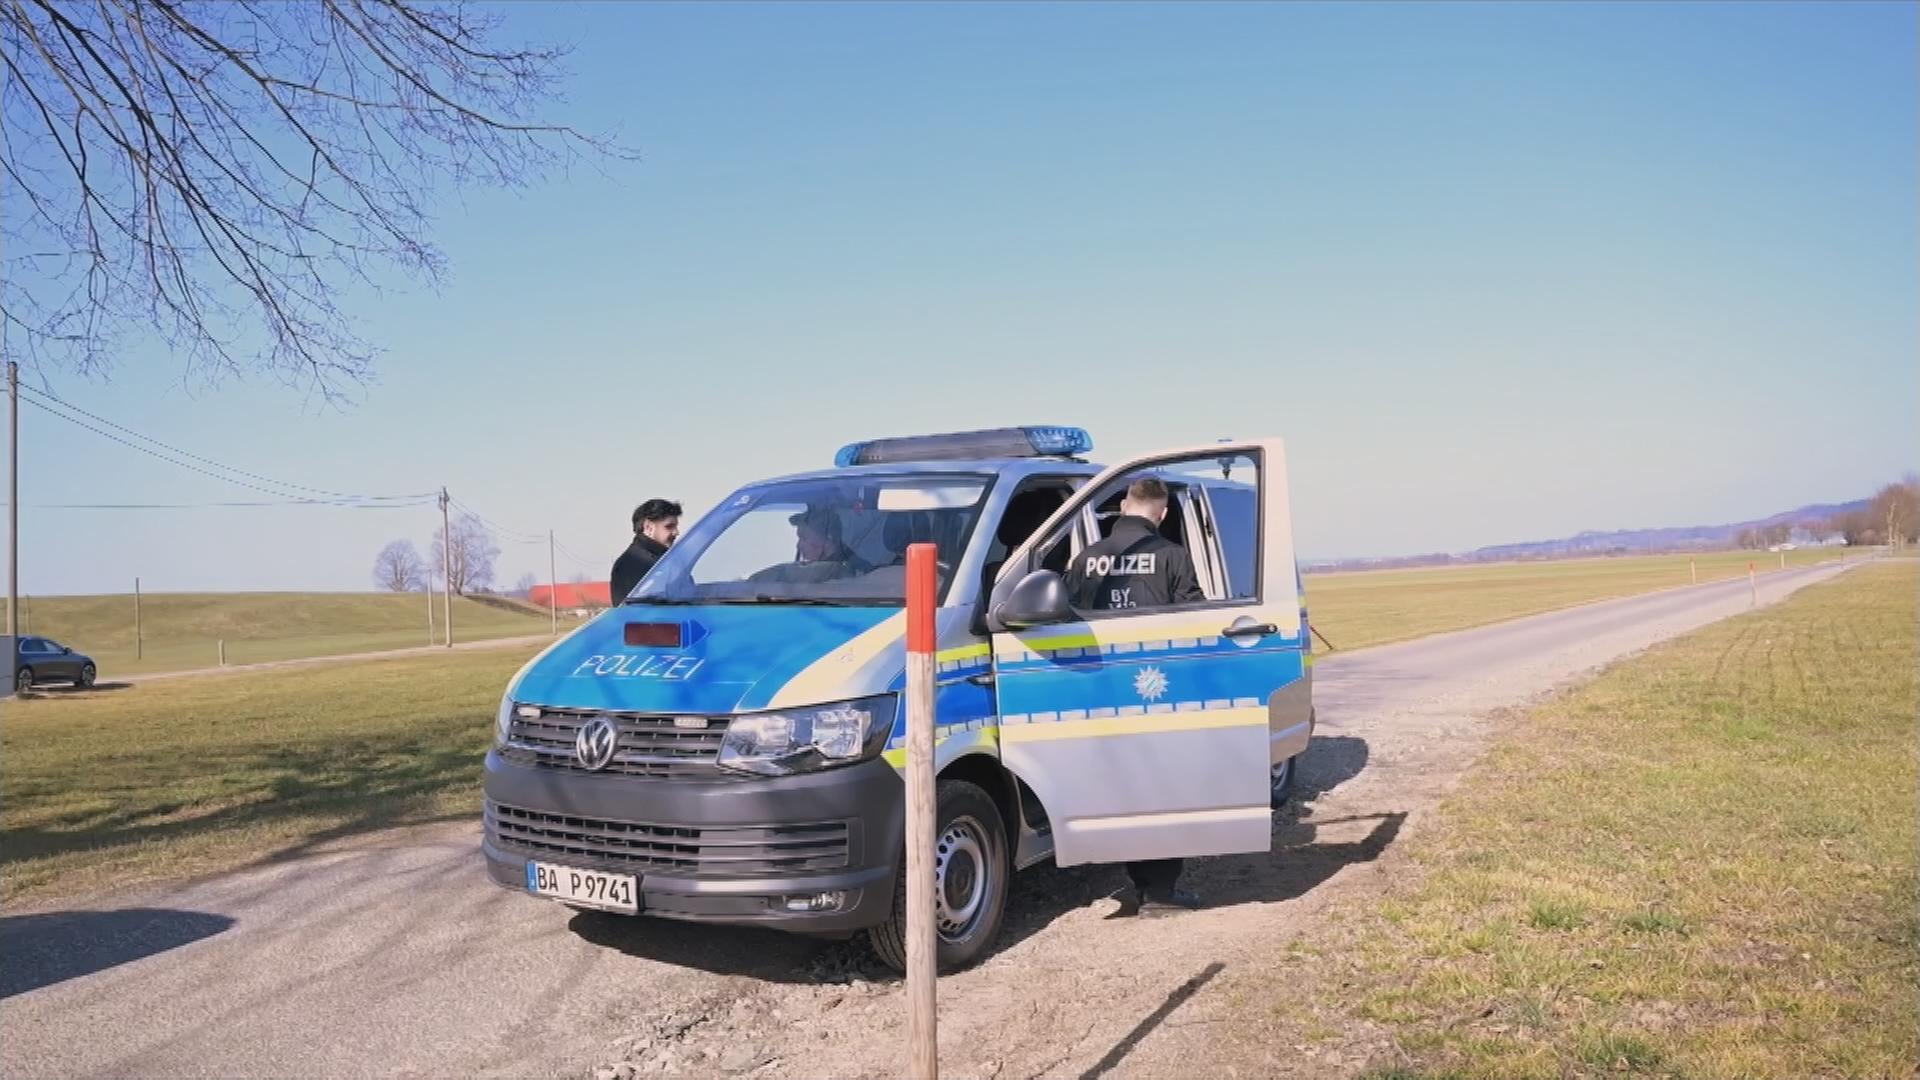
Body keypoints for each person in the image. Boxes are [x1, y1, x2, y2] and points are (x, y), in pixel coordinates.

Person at [1063, 476, 1207, 914]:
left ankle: (1135, 880)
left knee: (1121, 784)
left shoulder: (1086, 560)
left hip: (1101, 687)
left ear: (1124, 505)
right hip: (1158, 687)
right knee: (1163, 786)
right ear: (1162, 514)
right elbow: (1196, 620)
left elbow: (1065, 621)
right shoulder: (1172, 556)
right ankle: (1160, 890)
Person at [611, 498, 681, 605]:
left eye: (676, 526)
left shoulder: (662, 560)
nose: (676, 532)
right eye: (669, 526)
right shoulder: (632, 564)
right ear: (648, 527)